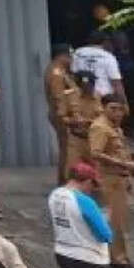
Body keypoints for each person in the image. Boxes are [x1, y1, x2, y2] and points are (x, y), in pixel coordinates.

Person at [87, 95, 134, 268]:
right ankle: (118, 259)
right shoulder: (100, 127)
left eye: (120, 109)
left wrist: (128, 176)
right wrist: (125, 166)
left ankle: (109, 256)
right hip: (109, 180)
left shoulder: (115, 128)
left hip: (119, 178)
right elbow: (95, 153)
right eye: (113, 108)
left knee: (117, 221)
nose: (117, 113)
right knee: (115, 223)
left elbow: (121, 151)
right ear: (103, 108)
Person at [44, 45, 77, 181]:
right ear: (62, 56)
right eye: (70, 56)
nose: (72, 59)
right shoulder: (56, 72)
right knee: (68, 150)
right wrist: (64, 116)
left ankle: (65, 179)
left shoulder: (61, 71)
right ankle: (65, 180)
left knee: (67, 148)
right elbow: (59, 96)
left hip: (63, 115)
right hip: (63, 116)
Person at [60, 70, 103, 172]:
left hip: (94, 139)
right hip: (76, 139)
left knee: (97, 171)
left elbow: (103, 117)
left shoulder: (98, 96)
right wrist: (72, 121)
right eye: (86, 86)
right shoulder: (68, 96)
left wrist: (92, 122)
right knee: (73, 170)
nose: (89, 88)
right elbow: (62, 117)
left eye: (92, 84)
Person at [73, 33, 126, 104]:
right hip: (104, 99)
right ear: (105, 42)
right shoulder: (108, 56)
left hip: (81, 97)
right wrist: (124, 103)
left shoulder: (77, 53)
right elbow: (116, 83)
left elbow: (72, 74)